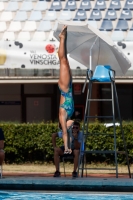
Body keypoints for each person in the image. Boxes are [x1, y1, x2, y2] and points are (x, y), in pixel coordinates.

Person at [58, 25, 74, 154]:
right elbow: (69, 130)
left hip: (64, 88)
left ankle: (62, 38)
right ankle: (64, 38)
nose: (71, 126)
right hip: (70, 87)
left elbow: (64, 132)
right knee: (66, 61)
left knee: (63, 61)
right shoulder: (70, 116)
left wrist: (67, 148)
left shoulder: (62, 115)